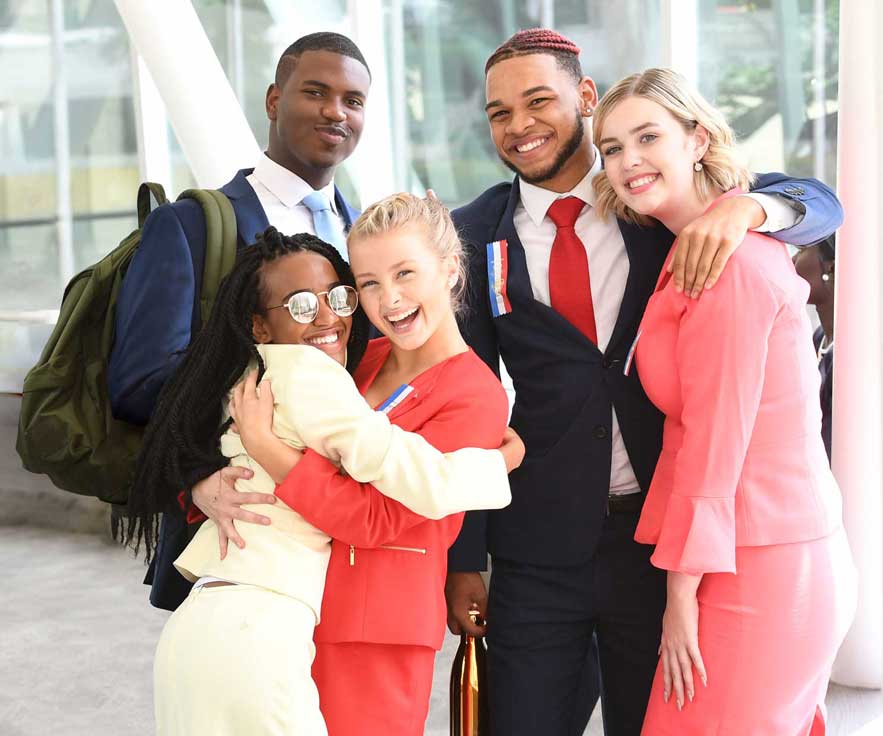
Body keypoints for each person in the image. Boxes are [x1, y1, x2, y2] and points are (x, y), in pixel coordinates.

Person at [444, 28, 845, 736]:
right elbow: (467, 403)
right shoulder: (473, 236)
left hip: (656, 544)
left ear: (585, 99)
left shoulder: (658, 213)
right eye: (498, 113)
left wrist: (748, 208)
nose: (519, 125)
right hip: (537, 543)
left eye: (538, 101)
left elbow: (814, 200)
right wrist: (464, 556)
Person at [125, 226, 519, 734]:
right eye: (370, 283)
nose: (386, 299)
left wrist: (265, 448)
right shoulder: (342, 362)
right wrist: (501, 463)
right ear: (259, 326)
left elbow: (377, 517)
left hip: (368, 628)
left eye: (404, 274)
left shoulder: (474, 392)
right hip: (283, 617)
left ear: (449, 269)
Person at [592, 67, 856, 736]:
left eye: (645, 136)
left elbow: (714, 439)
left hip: (757, 564)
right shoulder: (696, 245)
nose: (626, 161)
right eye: (611, 147)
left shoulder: (725, 261)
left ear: (696, 138)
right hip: (747, 551)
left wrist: (679, 596)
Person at [109, 32, 372, 610]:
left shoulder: (361, 236)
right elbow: (138, 384)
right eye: (316, 92)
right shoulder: (193, 227)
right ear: (275, 101)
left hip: (344, 544)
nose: (336, 111)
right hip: (234, 531)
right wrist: (206, 467)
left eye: (353, 101)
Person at [794, 234, 836, 461]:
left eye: (801, 250)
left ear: (830, 267)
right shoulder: (818, 337)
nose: (792, 260)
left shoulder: (851, 356)